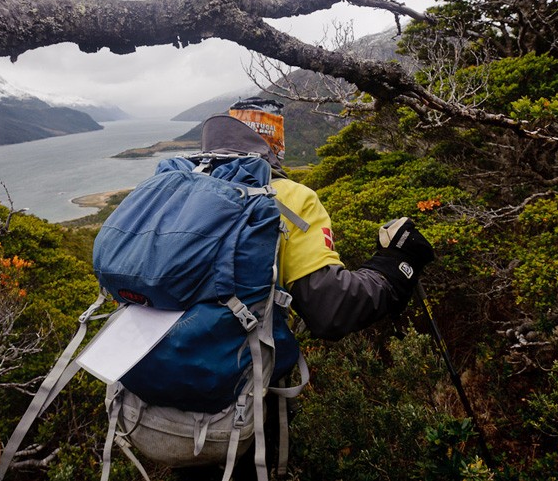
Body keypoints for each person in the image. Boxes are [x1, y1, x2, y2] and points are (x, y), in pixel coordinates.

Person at [173, 109, 436, 479]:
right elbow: (331, 309)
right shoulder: (289, 198)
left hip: (160, 395)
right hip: (242, 402)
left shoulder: (177, 191)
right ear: (273, 147)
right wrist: (396, 266)